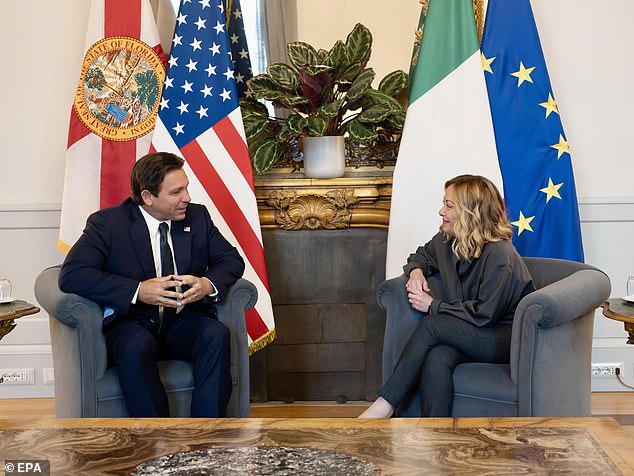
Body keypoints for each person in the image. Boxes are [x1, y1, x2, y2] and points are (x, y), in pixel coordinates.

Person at [59, 152, 245, 417]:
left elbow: (230, 260)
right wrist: (138, 291)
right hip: (132, 324)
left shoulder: (197, 217)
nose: (187, 198)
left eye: (187, 188)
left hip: (183, 322)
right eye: (176, 192)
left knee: (215, 334)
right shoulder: (109, 224)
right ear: (147, 197)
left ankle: (207, 436)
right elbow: (72, 274)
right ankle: (157, 442)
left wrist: (206, 284)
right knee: (135, 345)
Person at [360, 174, 534, 418]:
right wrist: (417, 273)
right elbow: (420, 256)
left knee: (432, 326)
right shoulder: (447, 241)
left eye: (449, 205)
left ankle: (385, 404)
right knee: (437, 355)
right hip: (471, 331)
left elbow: (485, 315)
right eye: (444, 203)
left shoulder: (501, 255)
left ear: (471, 212)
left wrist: (433, 305)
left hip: (503, 337)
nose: (441, 211)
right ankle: (435, 432)